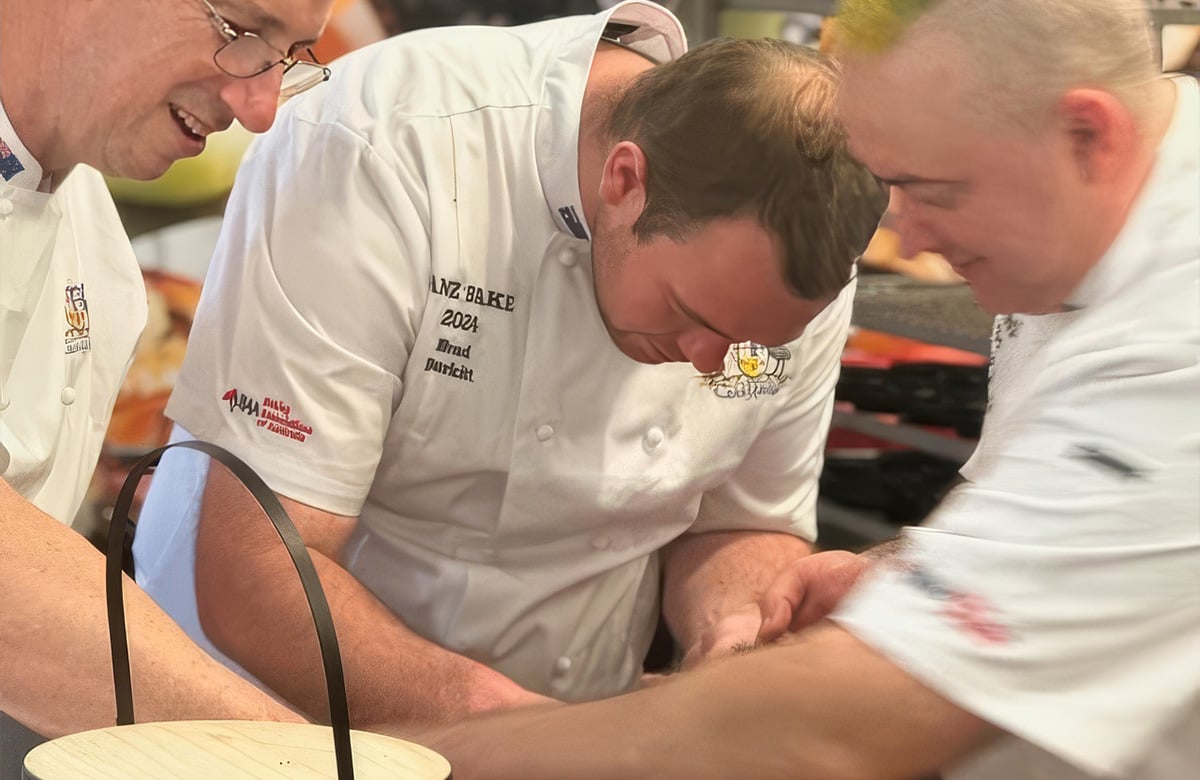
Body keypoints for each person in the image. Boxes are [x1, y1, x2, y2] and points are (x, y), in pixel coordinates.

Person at [417, 0, 1200, 777]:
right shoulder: (1086, 230)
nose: (911, 236)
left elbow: (825, 733)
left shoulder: (1176, 337)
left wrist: (409, 759)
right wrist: (909, 570)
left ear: (1088, 135)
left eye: (936, 190)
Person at [131, 0, 887, 732]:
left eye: (755, 346)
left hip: (577, 719)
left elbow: (739, 521)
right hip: (271, 717)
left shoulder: (797, 243)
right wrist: (549, 740)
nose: (713, 364)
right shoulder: (380, 143)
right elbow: (257, 573)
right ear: (625, 181)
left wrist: (733, 631)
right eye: (693, 316)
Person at [0, 0, 335, 770]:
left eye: (289, 59)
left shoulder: (104, 257)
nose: (259, 110)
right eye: (244, 35)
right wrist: (295, 758)